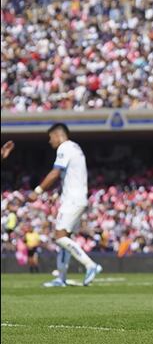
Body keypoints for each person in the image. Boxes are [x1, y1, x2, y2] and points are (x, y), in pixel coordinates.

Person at [30, 123, 103, 287]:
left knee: (60, 237)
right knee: (65, 239)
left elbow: (55, 172)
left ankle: (90, 265)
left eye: (50, 137)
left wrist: (38, 190)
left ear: (57, 135)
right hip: (77, 197)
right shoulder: (76, 147)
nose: (50, 142)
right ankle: (61, 278)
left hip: (73, 199)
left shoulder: (64, 147)